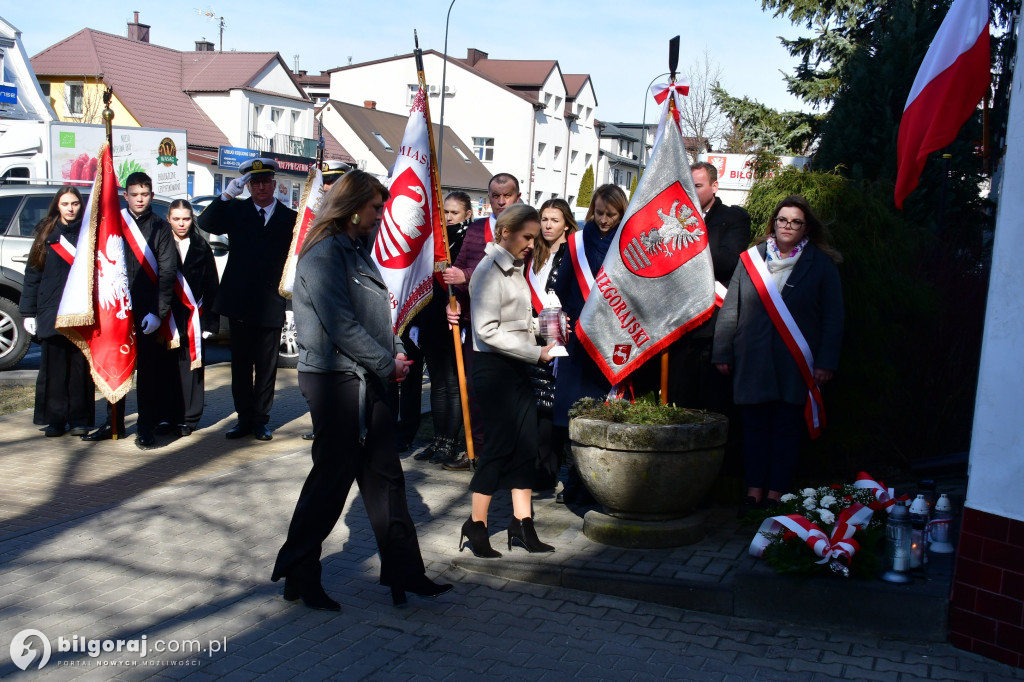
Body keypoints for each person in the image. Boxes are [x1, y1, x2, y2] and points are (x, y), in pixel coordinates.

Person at [271, 170, 452, 610]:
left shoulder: (354, 250)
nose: (379, 216)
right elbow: (340, 325)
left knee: (385, 478)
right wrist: (387, 363)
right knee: (331, 482)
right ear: (353, 207)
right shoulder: (323, 254)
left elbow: (373, 318)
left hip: (365, 379)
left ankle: (406, 572)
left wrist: (394, 352)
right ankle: (299, 568)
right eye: (375, 208)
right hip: (336, 382)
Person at [712, 195, 844, 514]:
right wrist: (722, 351)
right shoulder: (751, 260)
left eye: (795, 222)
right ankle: (754, 490)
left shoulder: (821, 264)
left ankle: (777, 493)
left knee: (786, 431)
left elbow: (833, 317)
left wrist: (826, 362)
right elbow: (731, 310)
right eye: (782, 220)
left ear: (806, 228)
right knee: (754, 430)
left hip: (794, 363)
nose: (787, 226)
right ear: (774, 223)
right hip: (752, 360)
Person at [451, 204, 557, 558]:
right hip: (493, 370)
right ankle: (477, 525)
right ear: (504, 233)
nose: (531, 244)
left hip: (515, 367)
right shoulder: (487, 271)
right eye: (527, 237)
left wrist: (546, 332)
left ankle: (522, 526)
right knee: (498, 448)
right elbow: (486, 331)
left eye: (534, 237)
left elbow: (518, 321)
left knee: (527, 446)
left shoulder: (514, 269)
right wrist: (536, 354)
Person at [198, 158, 296, 441]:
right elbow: (206, 223)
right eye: (254, 183)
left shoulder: (289, 218)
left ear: (274, 185)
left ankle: (261, 420)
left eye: (265, 182)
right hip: (240, 302)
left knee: (266, 367)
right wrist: (227, 195)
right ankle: (243, 418)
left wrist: (289, 304)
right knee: (241, 366)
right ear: (248, 186)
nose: (260, 187)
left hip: (271, 303)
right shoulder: (237, 210)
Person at [82, 172, 176, 449]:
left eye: (144, 194)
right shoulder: (113, 224)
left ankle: (145, 426)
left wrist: (158, 312)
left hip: (147, 312)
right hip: (116, 309)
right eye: (134, 194)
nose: (139, 199)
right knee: (114, 366)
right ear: (125, 196)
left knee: (147, 373)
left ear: (152, 195)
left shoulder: (160, 228)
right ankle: (114, 422)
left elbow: (168, 272)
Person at [551, 184, 628, 503]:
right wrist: (566, 317)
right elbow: (563, 285)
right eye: (599, 213)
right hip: (577, 339)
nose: (604, 220)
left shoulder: (629, 242)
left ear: (622, 213)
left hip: (609, 339)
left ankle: (595, 481)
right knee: (571, 411)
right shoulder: (577, 242)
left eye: (611, 214)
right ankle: (573, 480)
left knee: (599, 412)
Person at [442, 173, 521, 470]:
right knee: (474, 388)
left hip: (509, 323)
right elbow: (459, 268)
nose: (501, 201)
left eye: (507, 195)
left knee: (505, 391)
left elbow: (513, 264)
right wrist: (456, 304)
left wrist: (468, 275)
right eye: (495, 196)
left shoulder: (524, 227)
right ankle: (477, 450)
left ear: (517, 196)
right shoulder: (477, 229)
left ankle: (505, 456)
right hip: (474, 324)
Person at [667, 162, 751, 411]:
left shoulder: (733, 217)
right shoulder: (675, 216)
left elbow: (728, 260)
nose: (692, 191)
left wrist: (685, 252)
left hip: (712, 326)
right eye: (688, 186)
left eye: (698, 186)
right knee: (678, 405)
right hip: (679, 323)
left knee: (711, 406)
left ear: (714, 186)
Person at [20, 186, 95, 437]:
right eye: (65, 204)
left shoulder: (89, 234)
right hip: (51, 310)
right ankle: (54, 419)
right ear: (57, 206)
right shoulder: (46, 234)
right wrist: (28, 312)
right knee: (53, 369)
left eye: (74, 204)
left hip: (80, 312)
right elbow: (33, 274)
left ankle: (79, 419)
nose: (70, 209)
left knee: (79, 369)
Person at [411, 191, 473, 466]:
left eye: (454, 213)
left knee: (453, 383)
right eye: (445, 212)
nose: (448, 217)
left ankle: (450, 441)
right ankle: (437, 439)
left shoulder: (469, 240)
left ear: (467, 214)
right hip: (432, 316)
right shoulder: (434, 240)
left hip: (455, 318)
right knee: (437, 382)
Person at [527, 198, 578, 490]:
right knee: (537, 405)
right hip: (532, 334)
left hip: (560, 336)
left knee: (555, 406)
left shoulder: (572, 253)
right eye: (544, 219)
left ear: (566, 224)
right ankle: (540, 469)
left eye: (554, 220)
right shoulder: (533, 252)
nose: (547, 225)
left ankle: (559, 471)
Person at [301, 159, 352, 442]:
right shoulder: (315, 219)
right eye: (327, 183)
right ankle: (321, 423)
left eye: (336, 183)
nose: (330, 188)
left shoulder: (354, 223)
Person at [163, 200, 220, 436]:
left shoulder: (201, 247)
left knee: (192, 368)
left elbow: (212, 286)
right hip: (167, 317)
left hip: (194, 317)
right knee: (168, 369)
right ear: (169, 219)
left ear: (192, 219)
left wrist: (210, 323)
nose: (181, 223)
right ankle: (167, 416)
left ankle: (189, 417)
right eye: (176, 219)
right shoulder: (161, 244)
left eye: (186, 218)